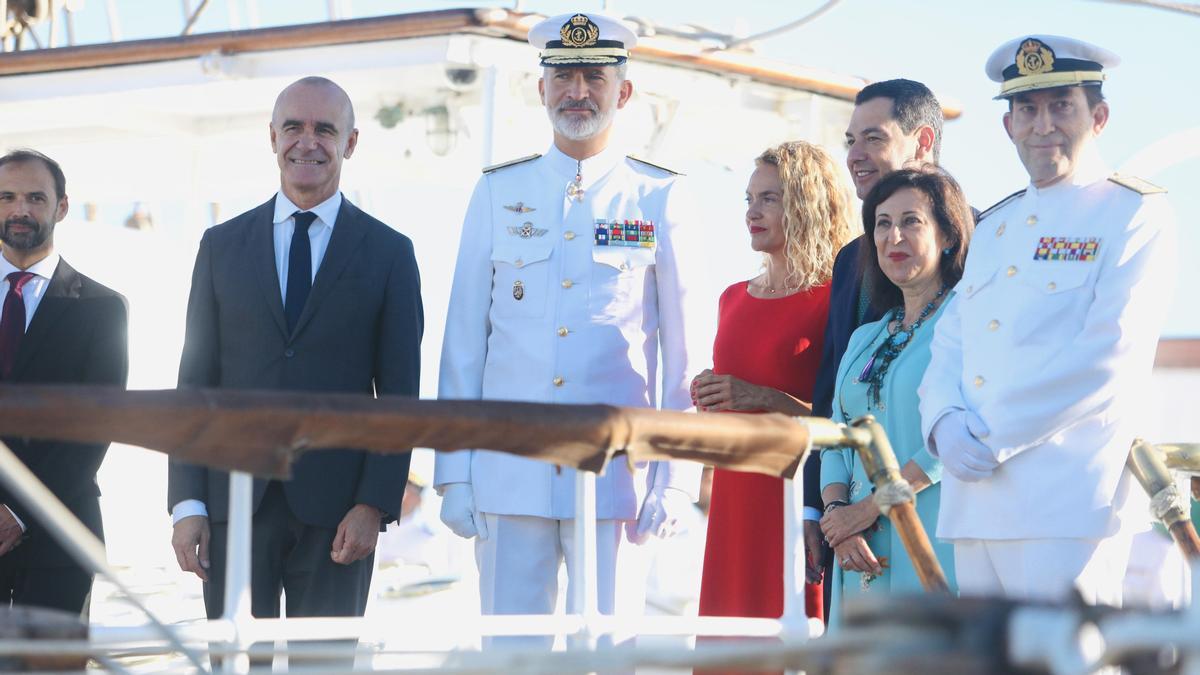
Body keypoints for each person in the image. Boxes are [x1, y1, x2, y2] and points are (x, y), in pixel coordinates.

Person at [434, 11, 698, 645]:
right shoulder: (499, 192)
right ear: (542, 89)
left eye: (595, 78)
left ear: (623, 92)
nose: (579, 91)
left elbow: (684, 356)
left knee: (608, 654)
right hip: (507, 468)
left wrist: (676, 478)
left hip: (616, 478)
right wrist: (455, 471)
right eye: (566, 77)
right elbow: (464, 342)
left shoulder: (657, 197)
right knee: (509, 656)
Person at [919, 35, 1175, 605]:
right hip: (975, 500)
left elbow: (1108, 358)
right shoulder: (997, 225)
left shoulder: (1133, 212)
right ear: (1008, 126)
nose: (1042, 125)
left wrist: (990, 434)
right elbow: (951, 342)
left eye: (1062, 106)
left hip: (1065, 500)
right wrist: (942, 421)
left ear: (1099, 117)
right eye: (1027, 109)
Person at [167, 77, 423, 638]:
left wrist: (373, 505)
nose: (307, 142)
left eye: (324, 130)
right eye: (294, 128)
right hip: (233, 504)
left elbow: (401, 394)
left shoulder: (390, 254)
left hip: (339, 514)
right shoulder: (220, 247)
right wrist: (187, 503)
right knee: (234, 666)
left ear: (350, 142)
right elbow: (194, 384)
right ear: (273, 137)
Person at [693, 141, 852, 624]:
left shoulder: (834, 301)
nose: (752, 212)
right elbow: (729, 399)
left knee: (790, 640)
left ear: (806, 204)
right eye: (748, 199)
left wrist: (761, 397)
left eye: (770, 198)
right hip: (731, 502)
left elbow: (843, 421)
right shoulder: (730, 298)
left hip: (796, 501)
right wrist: (707, 391)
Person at [807, 79, 945, 595]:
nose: (856, 156)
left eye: (873, 139)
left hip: (935, 526)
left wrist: (868, 508)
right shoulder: (850, 259)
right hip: (852, 544)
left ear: (922, 141)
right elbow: (833, 404)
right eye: (850, 142)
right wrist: (832, 515)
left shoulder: (982, 251)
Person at [820, 168, 972, 623]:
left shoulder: (966, 320)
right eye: (882, 224)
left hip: (933, 537)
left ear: (947, 234)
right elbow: (836, 435)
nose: (894, 236)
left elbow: (954, 438)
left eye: (912, 221)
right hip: (859, 552)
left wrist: (869, 509)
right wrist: (839, 520)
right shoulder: (865, 335)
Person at [0, 149, 128, 615]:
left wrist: (17, 511)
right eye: (7, 197)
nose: (20, 210)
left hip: (61, 535)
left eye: (36, 197)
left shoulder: (102, 308)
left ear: (61, 208)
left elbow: (96, 426)